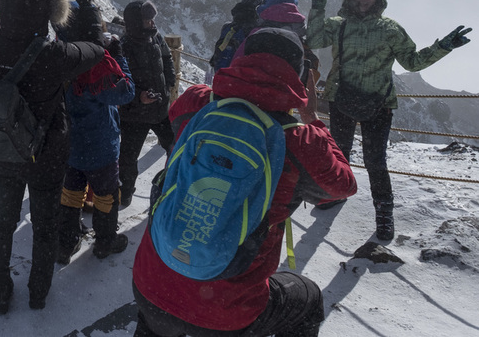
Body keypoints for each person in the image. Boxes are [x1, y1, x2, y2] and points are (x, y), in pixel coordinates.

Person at [132, 28, 358, 337]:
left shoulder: (196, 103)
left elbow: (175, 116)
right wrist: (312, 118)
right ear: (299, 76)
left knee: (157, 315)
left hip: (151, 284)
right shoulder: (300, 142)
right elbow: (343, 185)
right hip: (226, 311)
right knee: (307, 299)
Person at [307, 0, 471, 240]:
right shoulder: (339, 24)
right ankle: (337, 194)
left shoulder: (389, 29)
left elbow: (412, 62)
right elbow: (313, 39)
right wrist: (317, 7)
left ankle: (383, 214)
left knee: (375, 161)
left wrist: (444, 46)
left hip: (374, 103)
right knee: (339, 154)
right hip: (347, 98)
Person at [0, 0, 105, 314]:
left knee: (1, 224)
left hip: (3, 150)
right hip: (46, 154)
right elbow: (95, 49)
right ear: (47, 9)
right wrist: (87, 5)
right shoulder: (53, 54)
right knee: (44, 226)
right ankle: (38, 293)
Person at [58, 35, 135, 264]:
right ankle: (104, 242)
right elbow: (127, 90)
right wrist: (119, 57)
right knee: (106, 196)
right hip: (100, 147)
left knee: (71, 194)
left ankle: (66, 242)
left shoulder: (63, 66)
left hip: (71, 144)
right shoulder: (97, 71)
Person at [117, 0, 175, 207]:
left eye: (152, 19)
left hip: (160, 109)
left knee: (175, 148)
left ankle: (172, 186)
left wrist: (169, 81)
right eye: (147, 20)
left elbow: (167, 59)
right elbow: (118, 83)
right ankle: (125, 193)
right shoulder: (122, 46)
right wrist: (138, 96)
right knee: (128, 158)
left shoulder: (156, 37)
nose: (152, 23)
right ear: (135, 22)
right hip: (134, 115)